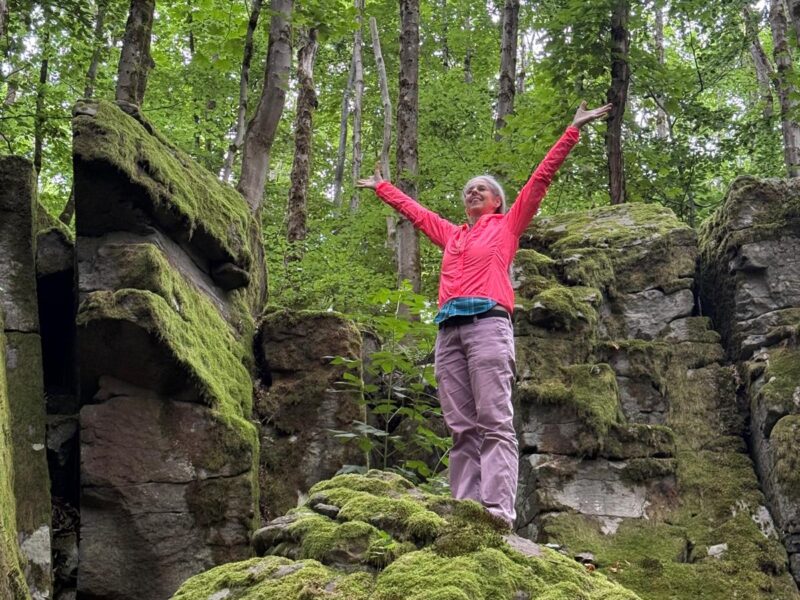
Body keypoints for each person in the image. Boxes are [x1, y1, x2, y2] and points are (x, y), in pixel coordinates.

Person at [356, 101, 612, 528]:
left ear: (497, 201)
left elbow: (539, 181)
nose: (473, 192)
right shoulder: (453, 235)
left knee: (494, 420)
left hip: (489, 325)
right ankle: (465, 511)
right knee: (461, 426)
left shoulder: (507, 227)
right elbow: (418, 215)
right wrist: (385, 189)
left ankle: (496, 512)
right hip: (448, 332)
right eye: (468, 190)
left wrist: (572, 130)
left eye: (482, 189)